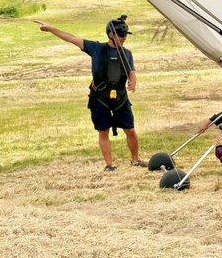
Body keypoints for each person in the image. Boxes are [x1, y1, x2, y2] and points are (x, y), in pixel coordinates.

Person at [34, 15, 147, 171]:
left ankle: (135, 160)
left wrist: (133, 80)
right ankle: (109, 165)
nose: (123, 38)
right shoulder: (96, 48)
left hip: (120, 97)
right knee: (103, 131)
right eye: (120, 35)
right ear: (110, 35)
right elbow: (71, 38)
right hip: (100, 97)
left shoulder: (127, 53)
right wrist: (50, 28)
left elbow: (131, 71)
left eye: (125, 35)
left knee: (131, 130)